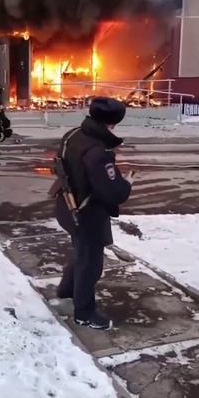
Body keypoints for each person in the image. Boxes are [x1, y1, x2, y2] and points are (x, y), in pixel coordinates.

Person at [54, 97, 134, 331]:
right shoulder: (98, 152)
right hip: (87, 215)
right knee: (90, 265)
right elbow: (112, 193)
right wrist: (127, 184)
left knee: (81, 254)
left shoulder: (73, 135)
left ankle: (67, 289)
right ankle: (84, 313)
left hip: (67, 208)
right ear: (112, 124)